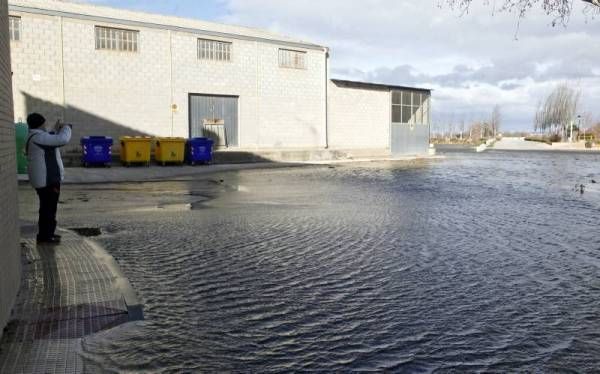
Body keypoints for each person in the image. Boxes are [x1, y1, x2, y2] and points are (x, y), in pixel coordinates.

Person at [26, 113, 72, 244]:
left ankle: (47, 234)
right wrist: (66, 127)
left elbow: (50, 137)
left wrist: (56, 130)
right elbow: (62, 140)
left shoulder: (34, 136)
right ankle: (46, 237)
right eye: (44, 124)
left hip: (43, 180)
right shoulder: (38, 137)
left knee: (46, 208)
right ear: (40, 124)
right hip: (47, 180)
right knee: (49, 209)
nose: (45, 126)